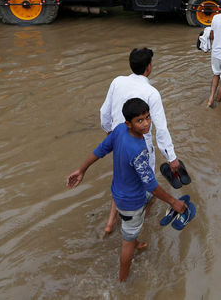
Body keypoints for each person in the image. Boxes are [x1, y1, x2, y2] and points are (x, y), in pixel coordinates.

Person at [67, 97, 187, 282]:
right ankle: (122, 281)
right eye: (140, 120)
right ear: (129, 123)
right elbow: (150, 184)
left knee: (144, 208)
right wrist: (174, 202)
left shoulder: (119, 130)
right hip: (132, 201)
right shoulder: (138, 150)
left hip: (119, 192)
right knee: (127, 244)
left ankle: (133, 235)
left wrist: (81, 170)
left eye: (147, 117)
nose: (146, 123)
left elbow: (101, 149)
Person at [100, 47, 180, 235]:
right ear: (149, 67)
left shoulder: (117, 81)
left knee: (120, 178)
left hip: (118, 139)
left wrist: (109, 134)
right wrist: (172, 157)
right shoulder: (151, 92)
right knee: (147, 185)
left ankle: (110, 223)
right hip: (139, 146)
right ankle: (139, 220)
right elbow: (161, 129)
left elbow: (104, 112)